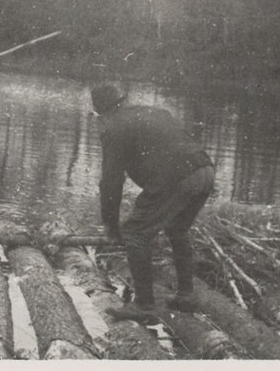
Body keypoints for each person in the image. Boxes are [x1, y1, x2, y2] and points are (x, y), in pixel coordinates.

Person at [91, 83, 216, 323]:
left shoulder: (113, 128)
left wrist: (110, 224)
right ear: (123, 102)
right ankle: (186, 295)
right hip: (205, 170)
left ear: (103, 113)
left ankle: (144, 305)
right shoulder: (156, 113)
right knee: (178, 229)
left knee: (135, 233)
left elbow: (110, 182)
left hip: (176, 177)